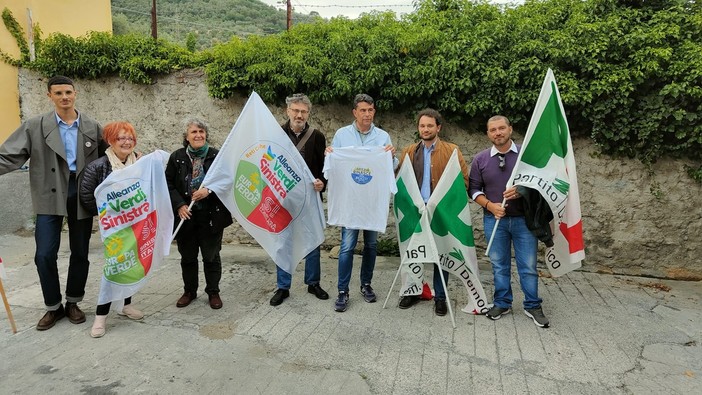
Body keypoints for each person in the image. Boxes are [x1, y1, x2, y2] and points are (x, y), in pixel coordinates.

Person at [0, 75, 107, 330]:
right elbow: (8, 155)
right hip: (49, 192)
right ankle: (52, 306)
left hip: (82, 191)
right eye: (58, 93)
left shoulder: (91, 126)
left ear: (75, 93)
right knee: (44, 254)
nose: (64, 97)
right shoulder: (35, 126)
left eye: (68, 92)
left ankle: (73, 302)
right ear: (50, 96)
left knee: (80, 251)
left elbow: (111, 156)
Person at [468, 115, 549, 328]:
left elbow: (541, 182)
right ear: (488, 134)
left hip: (524, 221)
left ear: (510, 129)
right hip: (494, 220)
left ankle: (532, 305)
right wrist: (490, 205)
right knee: (499, 265)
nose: (498, 133)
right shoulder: (480, 159)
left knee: (528, 266)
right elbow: (474, 189)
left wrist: (522, 190)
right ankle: (502, 302)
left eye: (501, 128)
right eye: (493, 130)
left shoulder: (526, 156)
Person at [326, 93, 396, 312]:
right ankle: (342, 290)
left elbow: (391, 167)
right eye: (363, 110)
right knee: (346, 247)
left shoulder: (383, 137)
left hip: (372, 202)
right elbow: (334, 167)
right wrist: (329, 154)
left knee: (371, 245)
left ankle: (366, 284)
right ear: (354, 112)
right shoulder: (341, 135)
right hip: (350, 202)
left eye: (371, 110)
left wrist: (391, 156)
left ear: (374, 111)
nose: (367, 114)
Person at [396, 109, 470, 316]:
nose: (425, 129)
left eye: (430, 125)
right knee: (413, 252)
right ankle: (412, 291)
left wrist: (442, 202)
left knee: (441, 254)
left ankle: (440, 296)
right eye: (422, 125)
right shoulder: (409, 151)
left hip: (440, 212)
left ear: (438, 127)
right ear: (418, 128)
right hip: (415, 211)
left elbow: (463, 182)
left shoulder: (452, 150)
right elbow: (401, 180)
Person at [79, 121, 145, 337]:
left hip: (135, 224)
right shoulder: (98, 166)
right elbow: (88, 196)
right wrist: (111, 216)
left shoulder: (140, 163)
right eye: (121, 138)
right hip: (114, 229)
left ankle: (126, 305)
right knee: (113, 268)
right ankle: (100, 317)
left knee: (133, 265)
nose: (127, 142)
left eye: (130, 138)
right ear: (110, 141)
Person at [165, 118, 233, 310]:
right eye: (194, 132)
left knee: (211, 257)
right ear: (186, 137)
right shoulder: (177, 157)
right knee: (188, 257)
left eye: (201, 132)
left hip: (210, 216)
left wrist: (208, 190)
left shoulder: (216, 156)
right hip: (186, 217)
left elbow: (227, 180)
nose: (198, 135)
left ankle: (213, 292)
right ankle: (189, 291)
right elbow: (168, 183)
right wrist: (179, 205)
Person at [269, 94, 329, 306]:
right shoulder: (275, 135)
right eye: (295, 110)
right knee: (282, 243)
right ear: (288, 111)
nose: (299, 115)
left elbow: (324, 168)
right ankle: (283, 287)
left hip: (309, 199)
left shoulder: (317, 136)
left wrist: (322, 181)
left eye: (303, 111)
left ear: (308, 113)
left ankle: (313, 283)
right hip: (282, 199)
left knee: (312, 241)